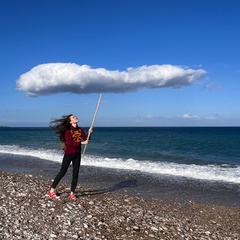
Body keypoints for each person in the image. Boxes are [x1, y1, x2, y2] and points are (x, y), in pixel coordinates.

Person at [47, 114, 92, 201]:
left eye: (75, 116)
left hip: (77, 154)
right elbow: (70, 143)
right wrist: (82, 143)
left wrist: (89, 133)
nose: (76, 117)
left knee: (75, 174)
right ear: (70, 121)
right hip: (69, 154)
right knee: (62, 172)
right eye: (73, 117)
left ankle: (72, 194)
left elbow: (86, 139)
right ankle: (51, 190)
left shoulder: (80, 129)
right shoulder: (68, 131)